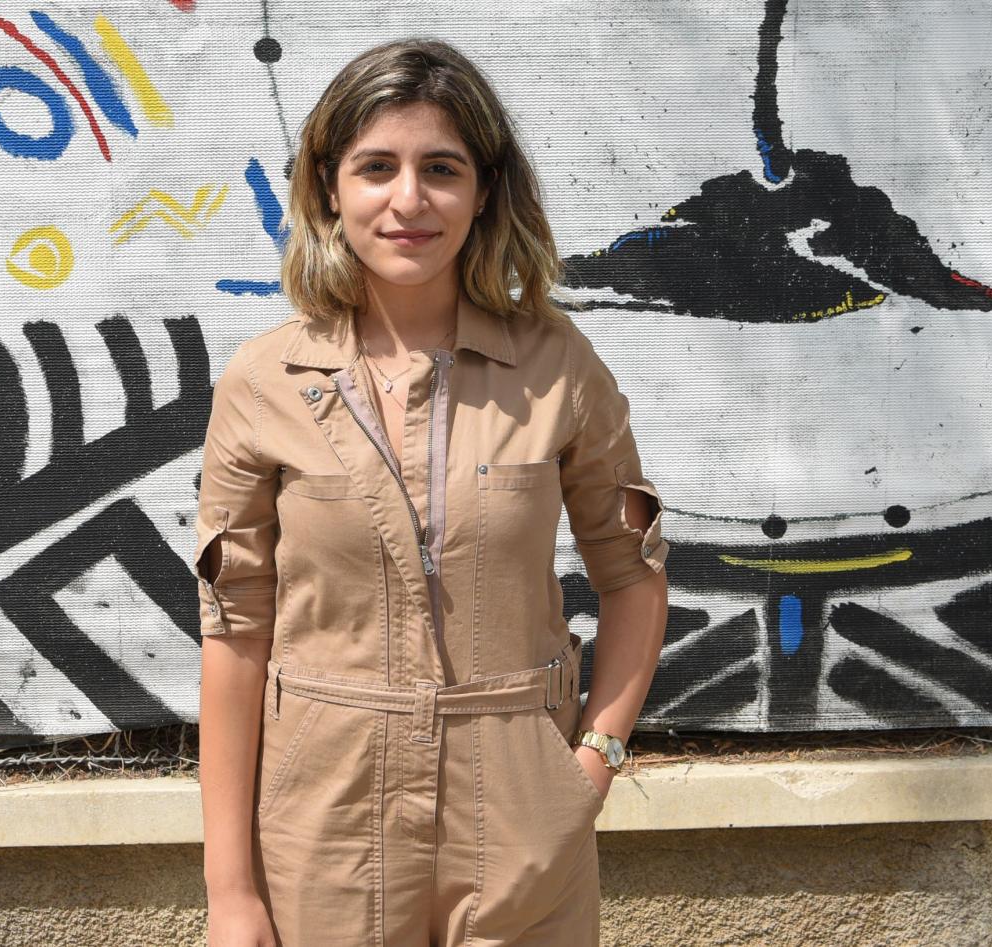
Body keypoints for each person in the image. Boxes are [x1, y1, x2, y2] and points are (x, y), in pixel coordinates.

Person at [195, 37, 670, 947]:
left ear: (484, 190)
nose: (408, 199)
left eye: (441, 169)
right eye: (377, 167)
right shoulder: (262, 383)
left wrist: (592, 764)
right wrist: (230, 888)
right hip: (323, 827)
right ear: (329, 185)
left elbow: (634, 576)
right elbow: (235, 630)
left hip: (522, 819)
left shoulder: (558, 368)